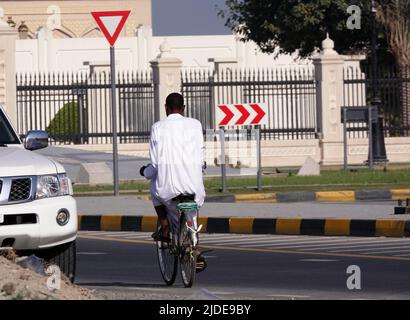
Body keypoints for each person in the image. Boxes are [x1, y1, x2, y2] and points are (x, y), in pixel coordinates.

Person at [140, 92, 206, 244]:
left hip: (168, 191)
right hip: (194, 189)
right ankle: (194, 246)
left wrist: (145, 172)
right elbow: (201, 155)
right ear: (184, 108)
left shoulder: (157, 127)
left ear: (166, 108)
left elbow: (155, 165)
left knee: (153, 187)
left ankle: (164, 226)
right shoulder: (196, 124)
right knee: (193, 212)